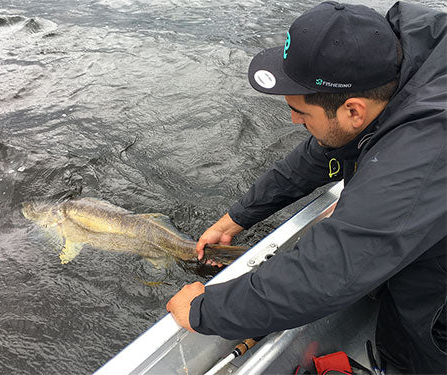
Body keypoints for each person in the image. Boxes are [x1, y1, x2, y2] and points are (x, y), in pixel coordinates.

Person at [166, 1, 446, 373]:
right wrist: (238, 216)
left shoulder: (425, 147)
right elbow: (325, 149)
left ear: (353, 111)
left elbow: (329, 272)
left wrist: (203, 309)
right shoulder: (394, 66)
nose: (295, 121)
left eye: (301, 112)